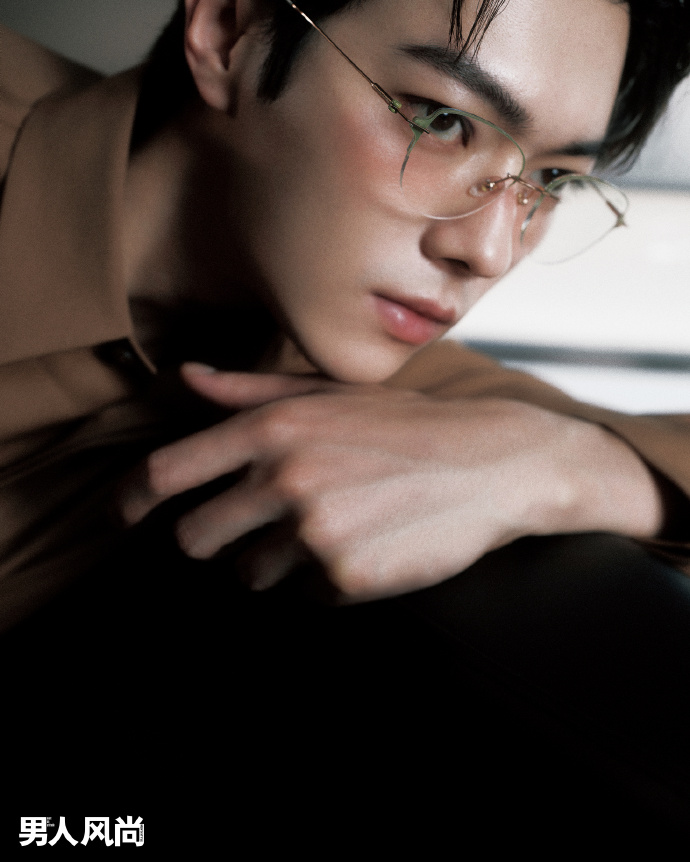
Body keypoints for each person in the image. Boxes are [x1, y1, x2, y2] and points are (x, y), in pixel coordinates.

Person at [1, 0, 689, 840]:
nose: (490, 250)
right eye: (440, 121)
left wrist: (568, 469)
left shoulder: (349, 368)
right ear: (229, 31)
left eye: (552, 181)